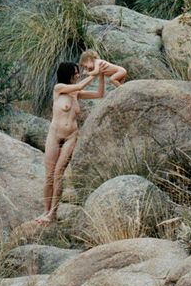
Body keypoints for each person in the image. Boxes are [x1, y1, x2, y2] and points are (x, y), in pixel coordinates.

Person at [38, 52, 126, 222]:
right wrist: (93, 74)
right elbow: (79, 87)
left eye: (79, 72)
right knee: (49, 176)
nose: (78, 75)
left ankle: (52, 214)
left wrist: (100, 75)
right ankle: (45, 211)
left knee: (58, 174)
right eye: (75, 72)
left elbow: (99, 94)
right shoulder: (59, 89)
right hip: (54, 135)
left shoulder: (75, 94)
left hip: (71, 136)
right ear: (67, 74)